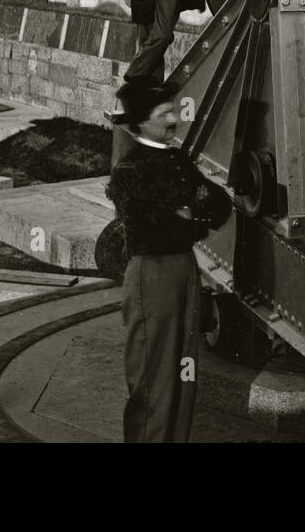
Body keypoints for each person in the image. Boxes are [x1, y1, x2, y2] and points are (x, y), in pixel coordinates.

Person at [105, 79, 231, 442]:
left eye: (173, 110)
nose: (174, 118)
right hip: (153, 275)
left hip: (183, 270)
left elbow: (219, 206)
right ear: (143, 121)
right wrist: (190, 217)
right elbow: (151, 233)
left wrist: (186, 216)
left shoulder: (177, 159)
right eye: (165, 113)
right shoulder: (129, 170)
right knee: (153, 376)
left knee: (183, 372)